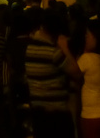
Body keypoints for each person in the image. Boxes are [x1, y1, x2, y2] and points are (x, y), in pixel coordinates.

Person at [24, 8, 79, 138]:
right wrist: (65, 48)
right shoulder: (53, 53)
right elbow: (77, 74)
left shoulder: (30, 48)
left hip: (38, 112)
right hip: (56, 114)